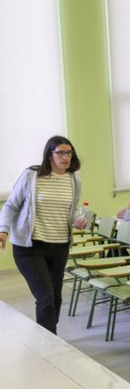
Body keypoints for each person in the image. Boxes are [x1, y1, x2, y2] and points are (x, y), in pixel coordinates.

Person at [0, 136, 85, 334]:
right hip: (30, 247)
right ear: (49, 155)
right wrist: (3, 230)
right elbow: (11, 205)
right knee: (45, 297)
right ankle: (50, 343)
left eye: (69, 152)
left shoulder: (74, 178)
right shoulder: (32, 175)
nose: (66, 157)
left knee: (55, 297)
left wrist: (78, 220)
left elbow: (72, 211)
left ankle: (47, 338)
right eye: (60, 153)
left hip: (59, 245)